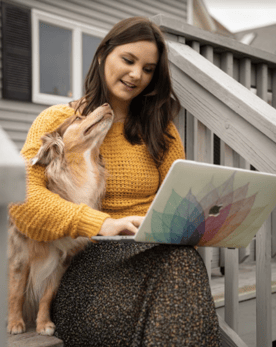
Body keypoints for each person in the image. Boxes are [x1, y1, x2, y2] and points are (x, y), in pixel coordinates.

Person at [9, 17, 222, 346]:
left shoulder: (160, 130)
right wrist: (101, 223)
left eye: (149, 69)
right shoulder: (58, 121)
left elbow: (181, 198)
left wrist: (204, 219)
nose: (137, 74)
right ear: (102, 55)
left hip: (155, 258)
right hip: (81, 264)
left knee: (182, 265)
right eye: (128, 60)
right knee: (181, 287)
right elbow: (22, 198)